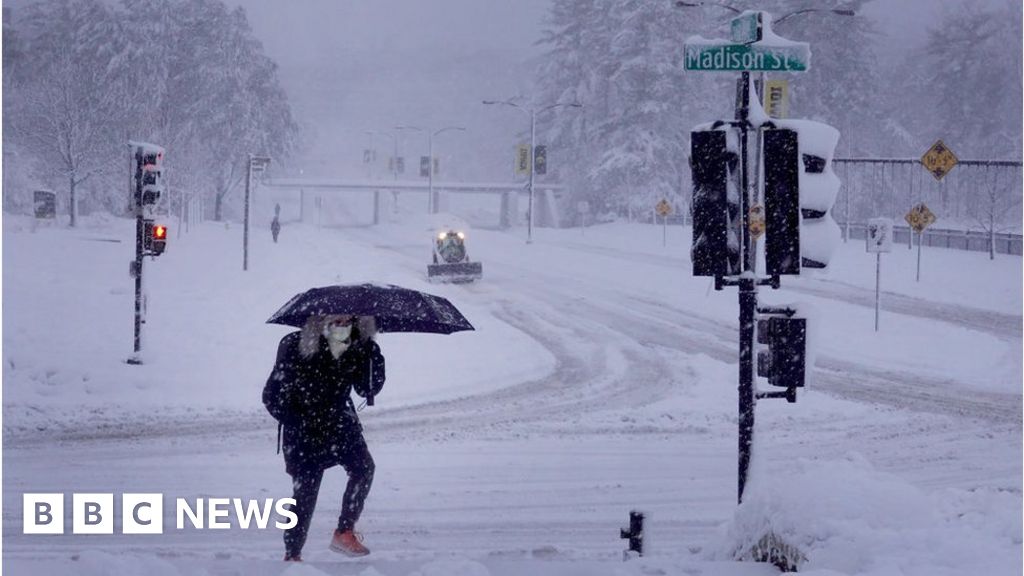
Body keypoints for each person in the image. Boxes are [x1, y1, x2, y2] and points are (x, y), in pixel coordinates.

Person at [263, 314, 385, 561]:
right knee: (305, 494)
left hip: (341, 424)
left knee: (364, 469)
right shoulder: (297, 345)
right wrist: (298, 420)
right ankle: (292, 553)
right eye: (335, 320)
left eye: (347, 320)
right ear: (321, 320)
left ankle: (344, 532)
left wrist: (373, 354)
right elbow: (271, 396)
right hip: (305, 432)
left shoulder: (357, 346)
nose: (342, 325)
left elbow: (367, 389)